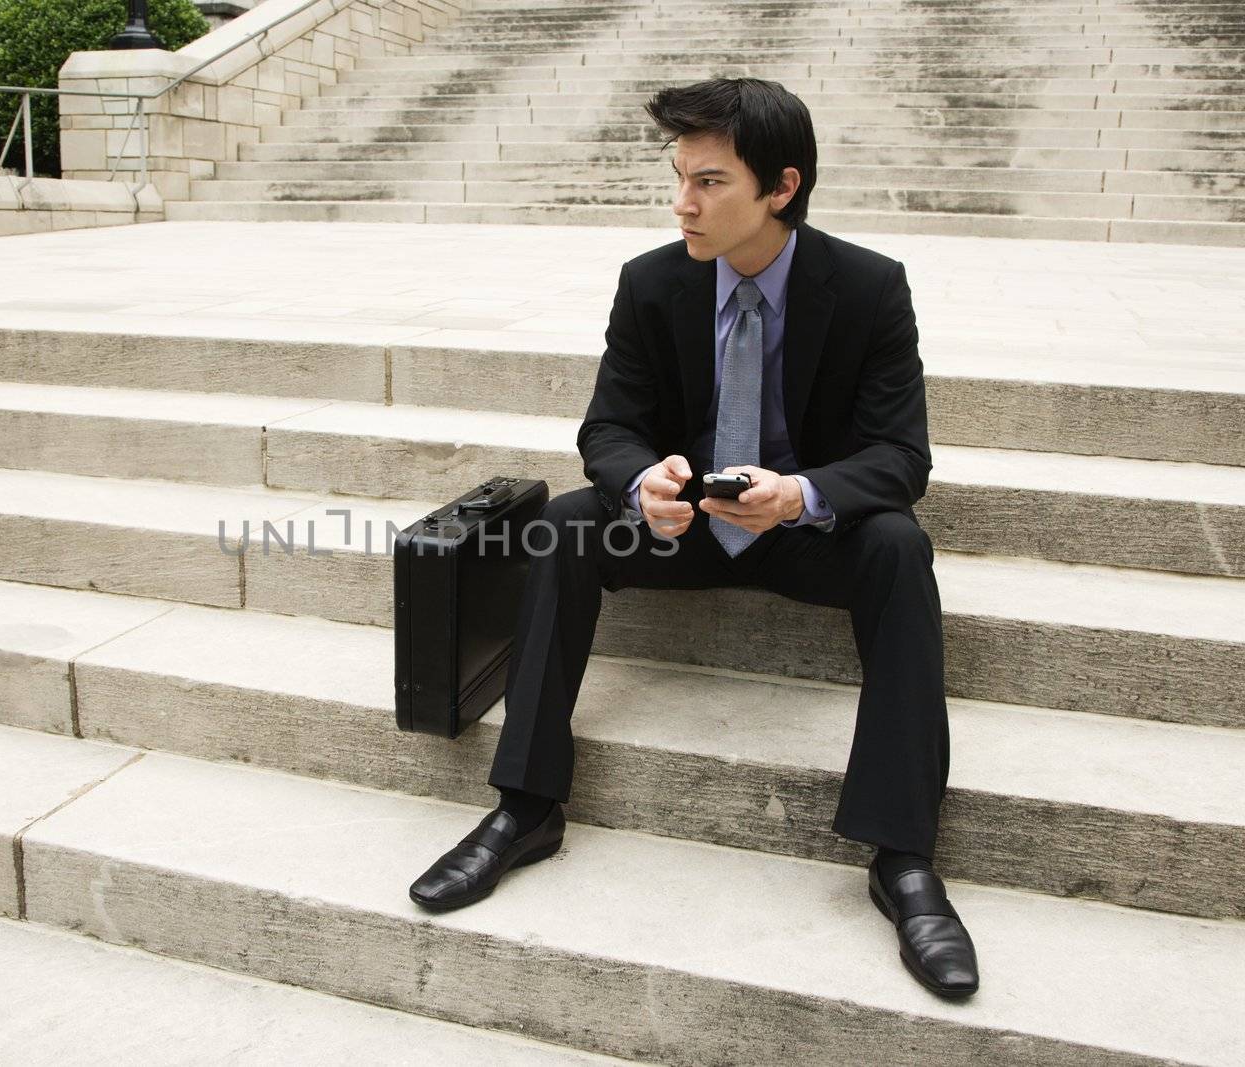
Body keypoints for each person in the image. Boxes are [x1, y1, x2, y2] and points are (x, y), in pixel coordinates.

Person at [406, 77, 980, 998]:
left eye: (709, 182)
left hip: (803, 530)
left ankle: (903, 856)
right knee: (563, 523)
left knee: (899, 548)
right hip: (680, 528)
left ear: (781, 188)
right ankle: (526, 805)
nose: (684, 204)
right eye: (678, 178)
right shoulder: (652, 280)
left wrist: (800, 493)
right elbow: (607, 428)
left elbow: (901, 457)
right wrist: (645, 482)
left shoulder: (870, 287)